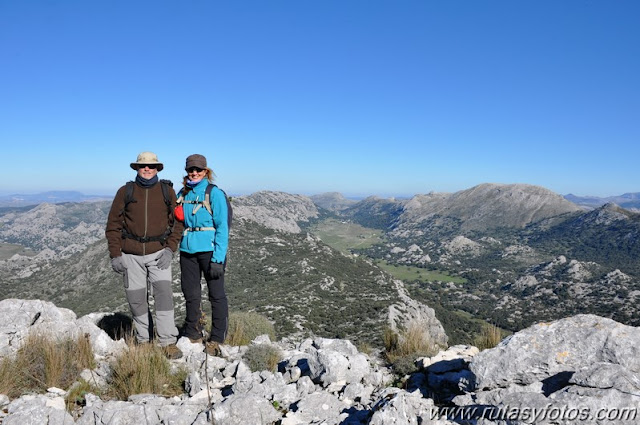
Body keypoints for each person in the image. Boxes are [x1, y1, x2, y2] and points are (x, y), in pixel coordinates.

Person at [105, 151, 184, 359]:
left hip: (159, 254)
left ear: (158, 168)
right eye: (143, 166)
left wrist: (170, 249)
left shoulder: (167, 192)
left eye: (151, 166)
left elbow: (177, 223)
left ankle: (168, 342)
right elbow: (113, 225)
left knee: (164, 298)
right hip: (131, 255)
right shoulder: (125, 191)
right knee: (137, 300)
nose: (147, 169)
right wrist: (115, 254)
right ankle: (144, 341)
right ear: (137, 168)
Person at [177, 154, 229, 356]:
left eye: (198, 170)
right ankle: (193, 333)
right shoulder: (183, 193)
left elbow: (222, 227)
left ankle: (217, 338)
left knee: (216, 295)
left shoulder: (213, 193)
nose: (194, 173)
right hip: (187, 250)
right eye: (191, 170)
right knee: (190, 294)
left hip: (209, 251)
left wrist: (218, 258)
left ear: (206, 171)